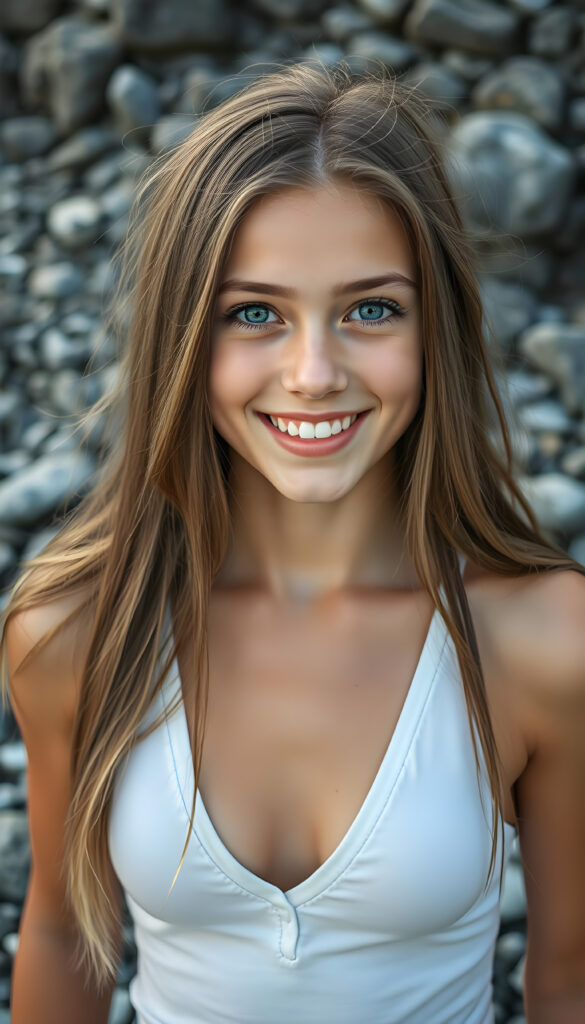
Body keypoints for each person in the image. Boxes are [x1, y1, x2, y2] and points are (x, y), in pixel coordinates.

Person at [2, 59, 585, 1024]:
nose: (314, 373)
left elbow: (568, 981)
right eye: (255, 314)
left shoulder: (542, 640)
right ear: (183, 337)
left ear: (435, 327)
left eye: (370, 309)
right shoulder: (77, 629)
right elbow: (66, 935)